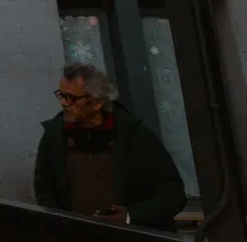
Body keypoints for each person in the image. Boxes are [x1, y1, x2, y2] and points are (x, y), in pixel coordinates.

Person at [33, 62, 187, 229]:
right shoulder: (55, 136)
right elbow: (44, 191)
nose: (63, 103)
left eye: (72, 98)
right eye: (61, 95)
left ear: (97, 102)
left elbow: (173, 194)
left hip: (133, 238)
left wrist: (131, 216)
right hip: (77, 238)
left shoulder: (134, 135)